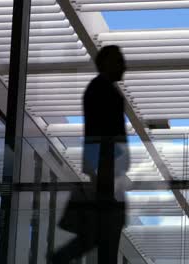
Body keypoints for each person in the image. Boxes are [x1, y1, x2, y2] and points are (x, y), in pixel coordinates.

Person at [49, 45, 130, 264]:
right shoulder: (103, 90)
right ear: (107, 63)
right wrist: (104, 171)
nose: (124, 66)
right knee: (107, 230)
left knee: (101, 232)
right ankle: (59, 259)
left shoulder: (98, 89)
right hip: (107, 173)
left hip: (105, 172)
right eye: (119, 60)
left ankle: (59, 259)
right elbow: (102, 133)